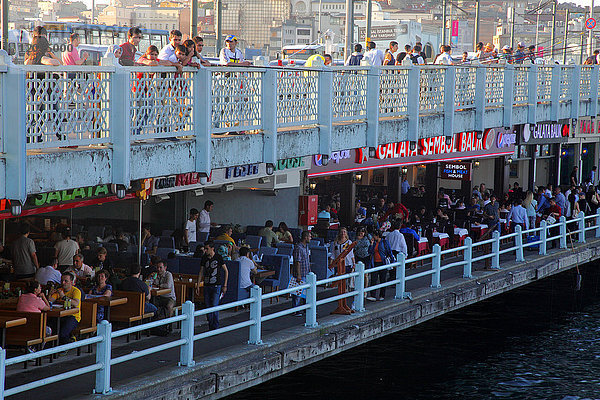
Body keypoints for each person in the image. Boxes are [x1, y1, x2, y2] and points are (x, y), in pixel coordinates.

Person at [198, 241, 229, 330]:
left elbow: (226, 271)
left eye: (207, 248)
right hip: (207, 285)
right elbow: (201, 271)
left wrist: (225, 285)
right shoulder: (204, 258)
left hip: (216, 285)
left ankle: (215, 326)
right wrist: (198, 284)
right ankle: (211, 325)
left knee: (214, 305)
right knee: (208, 306)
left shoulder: (218, 257)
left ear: (212, 248)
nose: (205, 250)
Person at [49, 272, 81, 345]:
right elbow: (50, 301)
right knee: (51, 328)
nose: (63, 283)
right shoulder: (60, 290)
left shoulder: (76, 291)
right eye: (62, 281)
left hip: (73, 316)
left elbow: (76, 303)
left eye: (66, 281)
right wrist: (50, 294)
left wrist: (63, 297)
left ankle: (67, 345)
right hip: (61, 315)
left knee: (62, 333)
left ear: (71, 282)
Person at [367, 230, 395, 302]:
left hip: (382, 262)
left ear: (377, 236)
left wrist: (393, 261)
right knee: (374, 279)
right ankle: (373, 295)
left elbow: (389, 251)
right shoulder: (374, 243)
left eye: (374, 236)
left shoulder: (384, 242)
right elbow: (369, 252)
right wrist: (371, 244)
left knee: (382, 279)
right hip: (375, 262)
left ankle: (382, 295)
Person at [291, 231, 311, 316]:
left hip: (306, 272)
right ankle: (296, 309)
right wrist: (298, 274)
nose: (311, 238)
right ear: (305, 237)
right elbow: (297, 262)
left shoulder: (305, 247)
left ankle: (304, 308)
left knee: (305, 292)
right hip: (301, 273)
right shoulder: (299, 248)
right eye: (310, 236)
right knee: (298, 292)